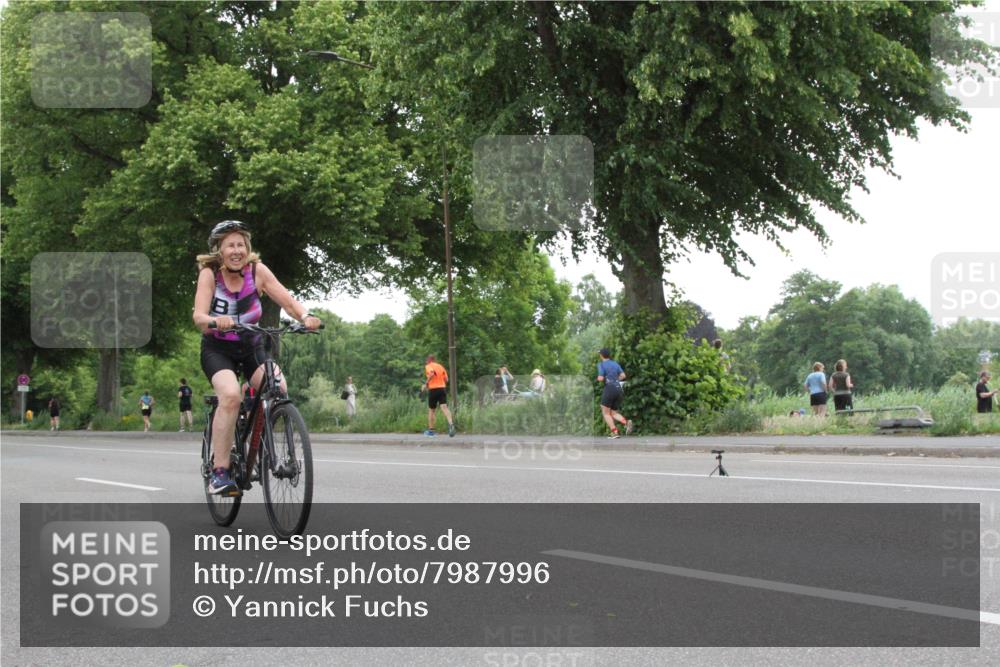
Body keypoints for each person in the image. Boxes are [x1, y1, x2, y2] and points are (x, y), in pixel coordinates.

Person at [193, 220, 321, 495]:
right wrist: (216, 321)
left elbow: (287, 300)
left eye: (241, 244)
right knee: (229, 396)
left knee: (279, 387)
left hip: (252, 347)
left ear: (247, 248)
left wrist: (305, 316)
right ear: (219, 250)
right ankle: (220, 471)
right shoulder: (209, 274)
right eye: (230, 245)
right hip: (218, 350)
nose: (236, 250)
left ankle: (256, 440)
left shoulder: (257, 271)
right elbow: (199, 317)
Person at [597, 348, 633, 439]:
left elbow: (600, 378)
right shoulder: (615, 363)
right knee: (613, 413)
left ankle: (614, 432)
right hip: (618, 389)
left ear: (601, 355)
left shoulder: (601, 364)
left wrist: (603, 379)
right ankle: (626, 422)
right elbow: (623, 376)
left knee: (605, 413)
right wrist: (615, 380)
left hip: (609, 388)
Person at [421, 354, 455, 437]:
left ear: (429, 360)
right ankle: (451, 424)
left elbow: (431, 374)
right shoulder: (440, 366)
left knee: (431, 410)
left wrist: (426, 384)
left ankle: (431, 432)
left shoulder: (428, 366)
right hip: (442, 388)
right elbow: (446, 379)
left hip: (433, 389)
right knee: (444, 407)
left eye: (426, 361)